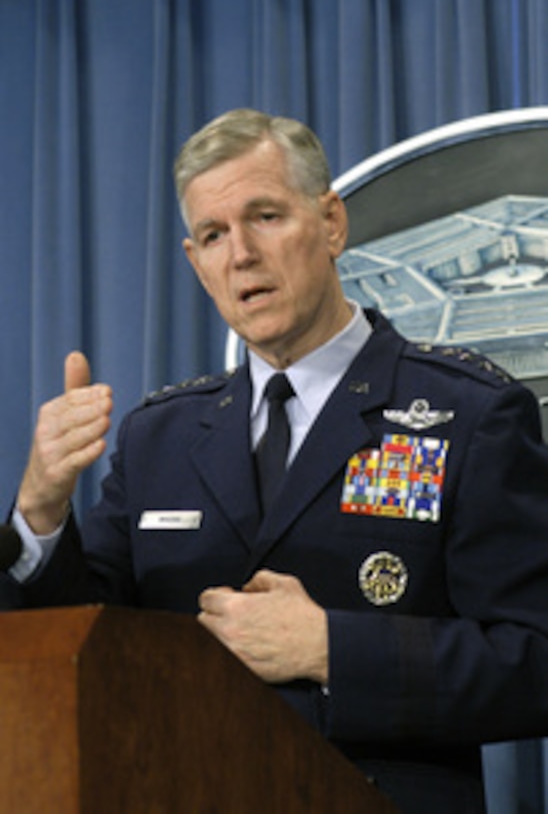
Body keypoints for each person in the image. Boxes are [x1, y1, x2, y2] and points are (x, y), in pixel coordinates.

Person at [9, 108, 548, 813]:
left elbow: (535, 663)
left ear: (330, 224)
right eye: (213, 235)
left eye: (264, 216)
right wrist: (40, 512)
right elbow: (87, 644)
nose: (241, 254)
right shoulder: (159, 438)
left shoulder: (470, 413)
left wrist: (331, 648)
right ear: (196, 265)